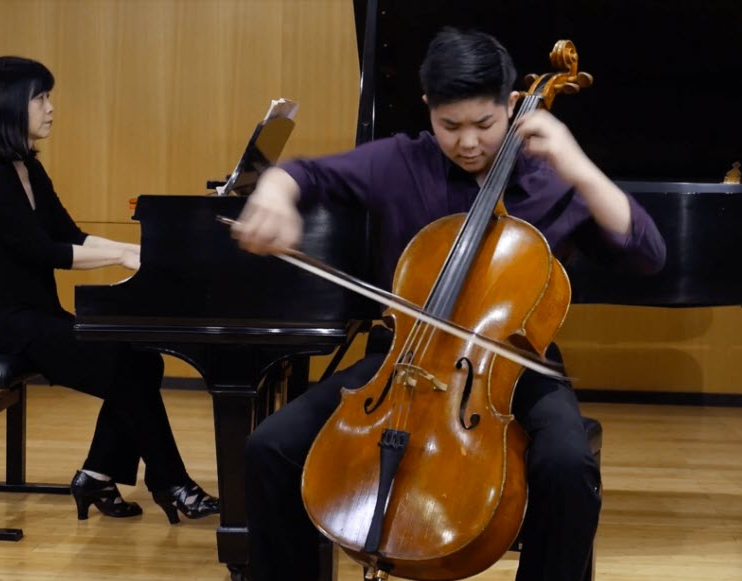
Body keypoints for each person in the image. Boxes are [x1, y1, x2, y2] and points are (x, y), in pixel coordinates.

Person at [232, 28, 666, 581]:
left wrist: (575, 162)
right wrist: (275, 190)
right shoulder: (400, 162)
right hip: (402, 359)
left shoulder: (551, 179)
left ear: (512, 106)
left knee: (567, 466)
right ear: (427, 110)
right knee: (269, 448)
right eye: (449, 125)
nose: (467, 143)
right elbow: (308, 172)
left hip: (510, 366)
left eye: (484, 124)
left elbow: (649, 255)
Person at [0, 56, 219, 525]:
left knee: (141, 357)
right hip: (0, 326)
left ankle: (99, 474)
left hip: (34, 316)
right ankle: (169, 480)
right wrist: (121, 256)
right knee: (127, 364)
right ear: (9, 105)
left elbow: (70, 234)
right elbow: (46, 252)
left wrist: (138, 250)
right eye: (41, 98)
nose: (51, 108)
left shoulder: (26, 169)